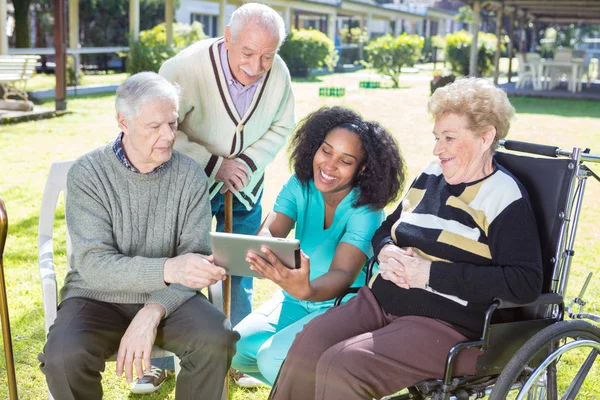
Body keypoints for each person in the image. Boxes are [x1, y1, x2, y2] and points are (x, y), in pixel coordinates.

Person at [269, 77, 544, 400]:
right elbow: (387, 228)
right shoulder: (431, 174)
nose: (437, 149)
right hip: (380, 300)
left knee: (344, 364)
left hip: (444, 323)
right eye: (437, 137)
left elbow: (524, 281)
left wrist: (427, 275)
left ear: (486, 137)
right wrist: (385, 250)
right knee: (309, 343)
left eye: (449, 138)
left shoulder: (503, 197)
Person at [38, 72, 238, 400]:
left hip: (170, 298)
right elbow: (94, 265)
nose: (168, 135)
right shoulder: (88, 174)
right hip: (95, 296)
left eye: (172, 124)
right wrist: (168, 269)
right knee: (63, 356)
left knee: (215, 338)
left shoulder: (189, 176)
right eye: (154, 126)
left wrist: (153, 309)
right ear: (124, 122)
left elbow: (195, 263)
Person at [230, 106, 406, 386]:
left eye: (345, 161)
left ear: (362, 168)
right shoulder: (299, 185)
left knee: (270, 358)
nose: (329, 165)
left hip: (343, 306)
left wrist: (308, 289)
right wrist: (265, 246)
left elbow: (342, 275)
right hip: (294, 300)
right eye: (326, 151)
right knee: (234, 349)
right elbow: (271, 228)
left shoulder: (367, 211)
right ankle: (316, 388)